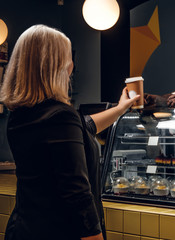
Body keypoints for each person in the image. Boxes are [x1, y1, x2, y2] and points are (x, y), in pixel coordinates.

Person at [0, 25, 139, 240]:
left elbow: (84, 127)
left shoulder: (21, 113)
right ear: (55, 66)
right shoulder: (60, 116)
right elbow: (78, 195)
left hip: (24, 228)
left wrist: (120, 109)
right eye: (68, 58)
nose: (72, 65)